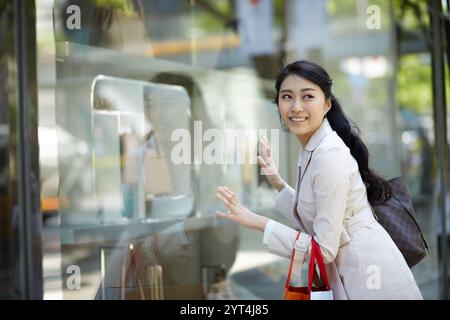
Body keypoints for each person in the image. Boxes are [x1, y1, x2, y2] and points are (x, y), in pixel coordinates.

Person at [216, 60, 423, 300]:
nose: (296, 107)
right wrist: (277, 181)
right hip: (355, 266)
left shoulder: (328, 154)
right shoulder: (315, 146)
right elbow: (319, 209)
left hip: (367, 275)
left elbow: (323, 250)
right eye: (287, 97)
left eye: (307, 97)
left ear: (326, 104)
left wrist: (259, 222)